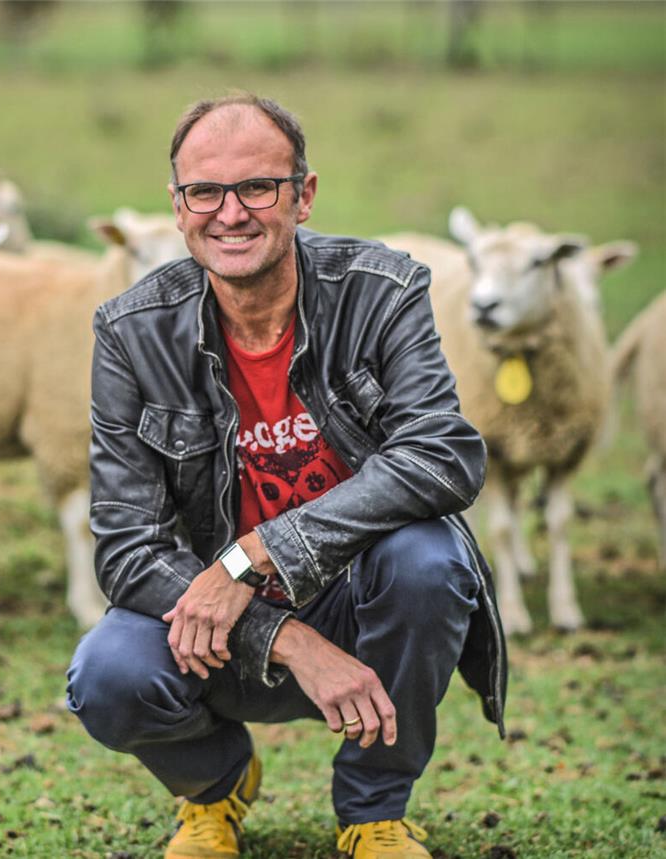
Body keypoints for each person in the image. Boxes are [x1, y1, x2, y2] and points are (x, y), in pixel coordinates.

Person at [66, 93, 507, 859]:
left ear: (302, 196)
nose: (229, 213)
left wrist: (258, 551)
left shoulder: (383, 291)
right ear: (177, 208)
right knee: (106, 672)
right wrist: (286, 637)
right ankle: (215, 788)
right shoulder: (130, 334)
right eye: (205, 191)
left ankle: (373, 810)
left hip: (361, 605)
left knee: (428, 559)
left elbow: (442, 453)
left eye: (257, 188)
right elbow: (126, 548)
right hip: (216, 622)